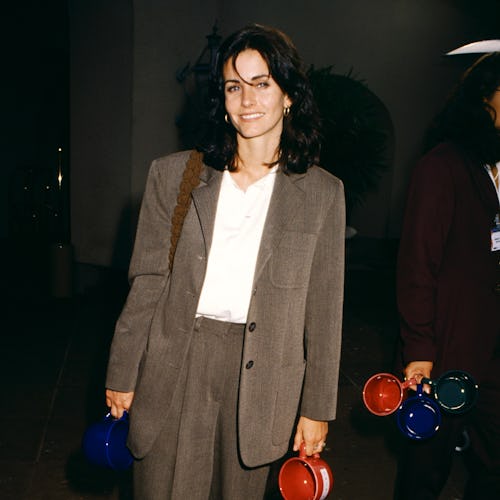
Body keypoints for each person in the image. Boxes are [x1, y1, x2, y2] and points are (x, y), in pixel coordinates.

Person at [105, 24, 345, 499]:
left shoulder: (323, 193)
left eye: (262, 84)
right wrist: (121, 372)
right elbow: (148, 282)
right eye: (235, 86)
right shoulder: (175, 175)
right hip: (178, 361)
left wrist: (316, 407)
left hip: (267, 375)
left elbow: (324, 309)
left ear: (289, 96)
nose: (248, 100)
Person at [394, 52, 500, 499]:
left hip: (494, 352)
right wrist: (420, 347)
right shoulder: (443, 165)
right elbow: (417, 263)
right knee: (424, 473)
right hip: (446, 351)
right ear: (485, 99)